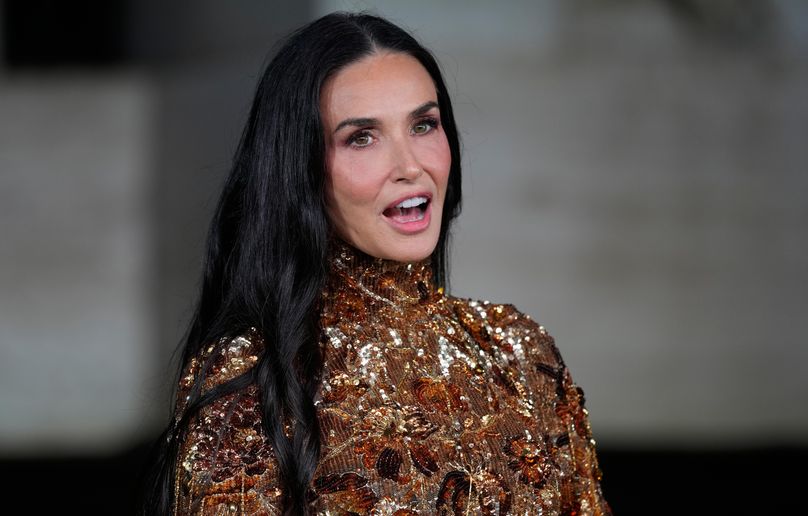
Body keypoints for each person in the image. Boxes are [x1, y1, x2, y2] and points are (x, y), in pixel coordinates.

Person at [142, 11, 611, 516]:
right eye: (361, 137)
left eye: (424, 124)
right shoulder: (253, 379)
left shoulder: (521, 352)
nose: (410, 166)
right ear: (298, 169)